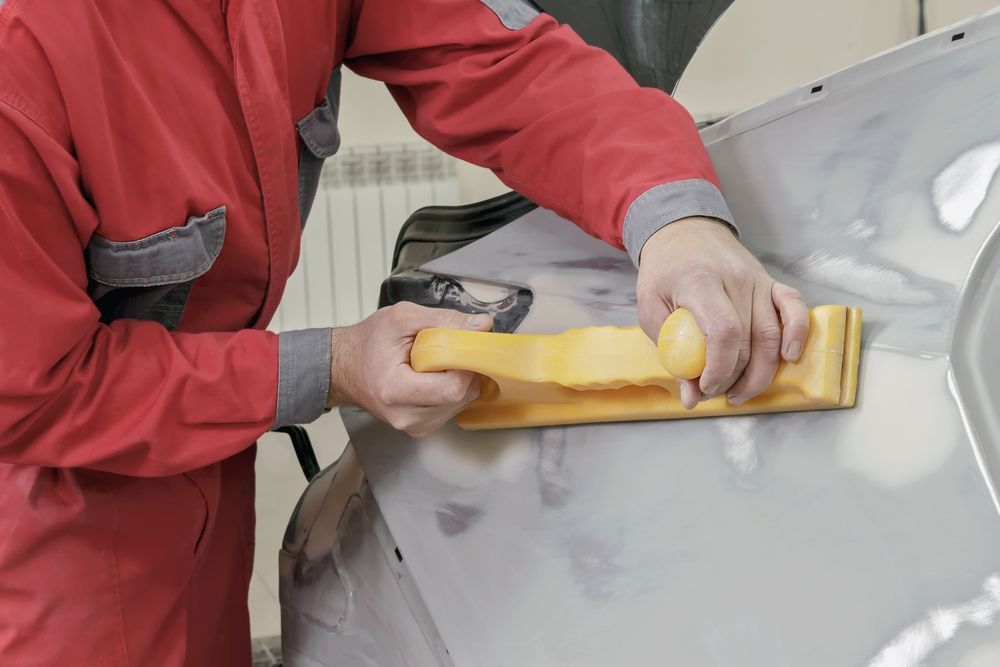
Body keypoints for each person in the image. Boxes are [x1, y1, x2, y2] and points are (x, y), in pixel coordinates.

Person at [0, 0, 808, 664]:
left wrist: (674, 214)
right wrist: (331, 366)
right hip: (48, 548)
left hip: (207, 484)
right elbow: (29, 391)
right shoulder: (24, 50)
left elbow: (498, 61)